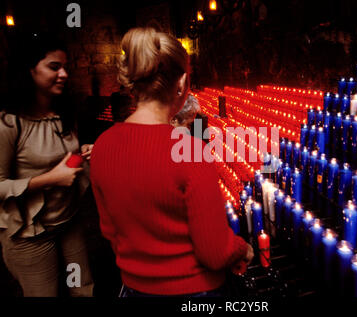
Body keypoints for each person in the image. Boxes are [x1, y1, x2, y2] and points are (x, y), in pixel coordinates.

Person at [90, 27, 253, 297]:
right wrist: (242, 248)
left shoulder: (102, 146)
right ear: (182, 84)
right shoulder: (190, 152)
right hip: (195, 293)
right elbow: (214, 252)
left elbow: (110, 231)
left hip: (133, 289)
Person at [0, 32, 94, 297]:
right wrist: (50, 179)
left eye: (66, 67)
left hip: (69, 220)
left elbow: (61, 158)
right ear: (29, 69)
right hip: (31, 234)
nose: (64, 74)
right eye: (54, 67)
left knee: (83, 289)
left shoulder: (63, 113)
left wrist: (81, 153)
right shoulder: (8, 123)